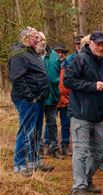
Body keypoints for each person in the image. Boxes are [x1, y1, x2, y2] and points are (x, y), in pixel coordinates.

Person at [64, 31, 103, 195]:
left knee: (99, 152)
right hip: (81, 114)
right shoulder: (80, 59)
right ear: (90, 43)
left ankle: (86, 180)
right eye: (98, 44)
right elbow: (68, 81)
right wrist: (92, 86)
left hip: (99, 116)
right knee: (81, 151)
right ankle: (78, 188)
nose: (101, 47)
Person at [8, 27, 54, 176]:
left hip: (38, 99)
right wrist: (30, 97)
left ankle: (35, 162)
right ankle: (19, 165)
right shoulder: (19, 53)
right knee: (26, 131)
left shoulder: (31, 52)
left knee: (35, 132)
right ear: (27, 37)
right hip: (27, 100)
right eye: (36, 37)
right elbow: (17, 78)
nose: (38, 40)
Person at [35, 32, 64, 160]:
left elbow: (57, 75)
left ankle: (54, 148)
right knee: (37, 124)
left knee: (52, 123)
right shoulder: (32, 55)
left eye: (44, 39)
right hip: (37, 97)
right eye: (40, 39)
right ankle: (38, 149)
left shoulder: (54, 56)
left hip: (52, 96)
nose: (43, 42)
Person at [54, 44, 72, 156]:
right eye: (57, 52)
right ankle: (50, 145)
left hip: (67, 100)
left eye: (62, 52)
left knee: (66, 124)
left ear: (65, 55)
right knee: (51, 124)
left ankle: (65, 145)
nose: (60, 54)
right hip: (53, 100)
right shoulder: (50, 65)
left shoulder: (69, 66)